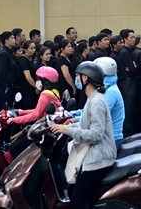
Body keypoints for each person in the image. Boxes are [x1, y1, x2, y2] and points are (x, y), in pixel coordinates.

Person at [50, 61, 116, 209]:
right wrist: (68, 126)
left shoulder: (97, 101)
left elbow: (96, 134)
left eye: (78, 76)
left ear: (85, 79)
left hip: (98, 157)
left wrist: (68, 131)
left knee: (77, 201)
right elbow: (86, 125)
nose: (76, 80)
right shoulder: (92, 99)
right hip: (93, 154)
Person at [92, 57, 125, 149]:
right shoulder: (106, 88)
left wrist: (75, 122)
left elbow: (97, 113)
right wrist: (75, 115)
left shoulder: (110, 92)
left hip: (111, 139)